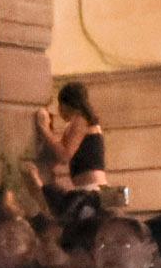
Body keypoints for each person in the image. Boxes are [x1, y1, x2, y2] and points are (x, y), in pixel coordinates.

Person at [34, 81, 109, 211]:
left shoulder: (80, 121)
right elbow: (57, 153)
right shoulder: (78, 123)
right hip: (89, 188)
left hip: (90, 190)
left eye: (60, 105)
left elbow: (64, 155)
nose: (59, 110)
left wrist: (44, 129)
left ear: (66, 104)